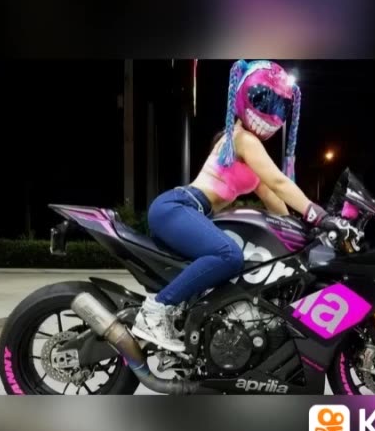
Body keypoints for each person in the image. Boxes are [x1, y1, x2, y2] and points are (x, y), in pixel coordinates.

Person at [132, 59, 355, 352]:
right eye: (264, 100)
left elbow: (273, 197)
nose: (272, 112)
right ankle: (155, 310)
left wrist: (305, 230)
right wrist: (319, 215)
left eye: (279, 106)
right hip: (179, 207)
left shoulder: (248, 153)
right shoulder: (242, 138)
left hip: (190, 212)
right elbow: (279, 182)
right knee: (229, 255)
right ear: (243, 96)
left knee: (232, 264)